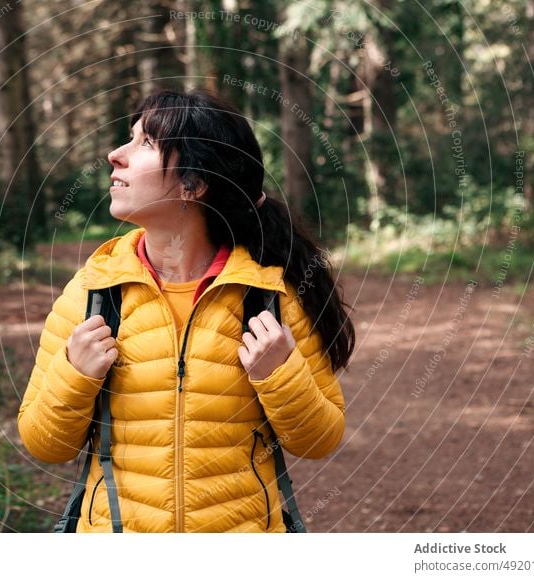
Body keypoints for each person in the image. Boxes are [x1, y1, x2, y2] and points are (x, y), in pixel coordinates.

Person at [18, 89, 355, 533]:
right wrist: (75, 374)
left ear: (192, 184)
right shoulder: (94, 293)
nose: (114, 155)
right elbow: (44, 444)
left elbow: (319, 440)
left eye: (145, 144)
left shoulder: (266, 296)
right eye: (129, 138)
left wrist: (279, 374)